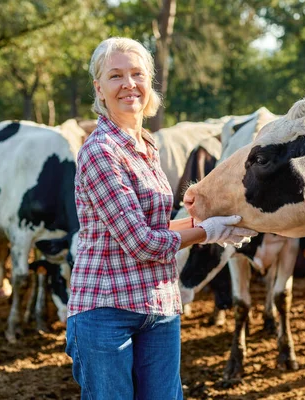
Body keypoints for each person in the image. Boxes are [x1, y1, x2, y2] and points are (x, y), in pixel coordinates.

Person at [65, 37, 257, 400]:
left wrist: (216, 227)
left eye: (137, 74)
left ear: (149, 83)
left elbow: (150, 229)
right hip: (107, 312)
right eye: (116, 75)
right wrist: (206, 231)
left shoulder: (146, 145)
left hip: (159, 306)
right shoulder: (99, 152)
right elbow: (141, 243)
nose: (128, 84)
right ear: (99, 88)